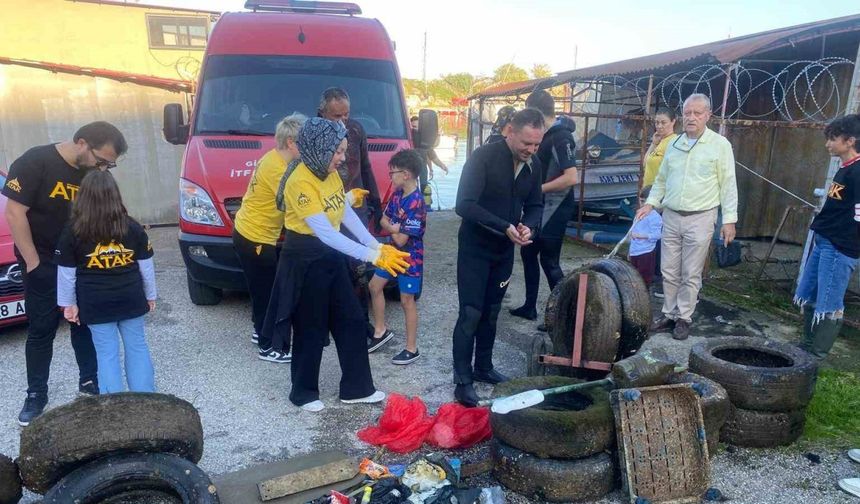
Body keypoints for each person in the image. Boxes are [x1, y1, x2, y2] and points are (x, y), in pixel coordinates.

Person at [264, 117, 410, 412]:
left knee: (353, 320)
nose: (343, 157)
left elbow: (344, 213)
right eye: (339, 151)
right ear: (319, 148)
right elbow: (326, 233)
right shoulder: (300, 182)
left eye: (344, 150)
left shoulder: (328, 172)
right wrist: (372, 257)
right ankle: (303, 393)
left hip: (330, 256)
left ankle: (356, 388)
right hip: (304, 256)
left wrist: (376, 244)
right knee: (310, 326)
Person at [3, 121, 127, 426]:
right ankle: (36, 395)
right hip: (41, 259)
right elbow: (14, 212)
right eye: (102, 160)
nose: (103, 168)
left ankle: (89, 382)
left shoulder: (94, 174)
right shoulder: (35, 161)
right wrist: (32, 263)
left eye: (109, 164)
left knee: (82, 322)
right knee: (42, 327)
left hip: (78, 260)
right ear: (82, 143)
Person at [452, 108, 544, 406]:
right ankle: (463, 380)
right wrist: (503, 225)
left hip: (504, 250)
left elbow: (536, 204)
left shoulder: (534, 164)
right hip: (475, 247)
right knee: (471, 313)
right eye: (526, 143)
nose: (531, 150)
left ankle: (484, 367)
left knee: (492, 311)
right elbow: (464, 205)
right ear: (510, 132)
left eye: (536, 145)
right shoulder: (483, 158)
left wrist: (528, 226)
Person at [636, 94, 738, 341]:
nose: (691, 118)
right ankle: (669, 314)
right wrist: (650, 204)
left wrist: (729, 220)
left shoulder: (719, 145)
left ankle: (684, 318)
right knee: (669, 269)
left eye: (697, 113)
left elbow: (728, 184)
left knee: (690, 272)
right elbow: (661, 181)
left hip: (701, 217)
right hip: (671, 215)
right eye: (688, 113)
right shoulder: (675, 144)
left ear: (708, 116)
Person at [56, 171, 156, 394]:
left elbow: (66, 273)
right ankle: (147, 401)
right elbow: (146, 266)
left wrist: (68, 304)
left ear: (83, 197)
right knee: (137, 347)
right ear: (115, 195)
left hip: (95, 302)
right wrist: (150, 295)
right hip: (130, 297)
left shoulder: (72, 231)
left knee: (105, 353)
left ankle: (113, 407)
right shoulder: (132, 227)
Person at [232, 113, 306, 364]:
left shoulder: (274, 158)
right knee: (269, 292)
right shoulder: (278, 169)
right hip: (255, 237)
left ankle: (259, 330)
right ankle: (268, 346)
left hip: (250, 233)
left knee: (261, 287)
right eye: (304, 142)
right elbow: (293, 205)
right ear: (291, 143)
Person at [793, 114, 860, 359]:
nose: (827, 144)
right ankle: (807, 344)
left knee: (830, 300)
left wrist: (850, 244)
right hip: (825, 240)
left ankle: (817, 353)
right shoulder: (845, 169)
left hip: (840, 246)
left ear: (850, 141)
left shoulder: (858, 171)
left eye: (833, 139)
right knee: (809, 291)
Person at [509, 90, 579, 323]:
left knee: (549, 261)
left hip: (556, 207)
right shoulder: (544, 135)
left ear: (536, 112)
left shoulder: (561, 137)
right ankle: (530, 306)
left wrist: (538, 190)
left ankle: (564, 316)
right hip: (538, 206)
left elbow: (571, 177)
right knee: (528, 253)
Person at [368, 149, 427, 364]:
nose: (390, 176)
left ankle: (412, 348)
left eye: (393, 172)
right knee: (374, 286)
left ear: (407, 174)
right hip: (391, 254)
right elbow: (382, 221)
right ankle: (380, 331)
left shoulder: (417, 202)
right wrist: (395, 227)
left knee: (406, 301)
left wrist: (392, 227)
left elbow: (403, 239)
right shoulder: (396, 195)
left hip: (411, 258)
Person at [629, 186, 662, 287]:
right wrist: (630, 251)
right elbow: (633, 231)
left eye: (644, 202)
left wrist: (641, 236)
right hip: (634, 251)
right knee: (633, 277)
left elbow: (657, 235)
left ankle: (644, 297)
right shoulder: (638, 214)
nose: (642, 204)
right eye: (640, 201)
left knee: (644, 280)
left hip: (646, 252)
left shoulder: (655, 216)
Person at [642, 108, 679, 188]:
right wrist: (654, 144)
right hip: (648, 191)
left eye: (663, 123)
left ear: (673, 122)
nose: (659, 126)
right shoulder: (659, 141)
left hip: (661, 193)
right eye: (657, 122)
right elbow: (645, 163)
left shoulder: (674, 142)